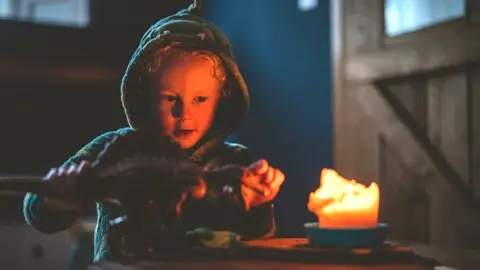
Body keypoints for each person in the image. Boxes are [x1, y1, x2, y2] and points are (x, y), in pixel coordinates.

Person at [23, 4, 285, 263]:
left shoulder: (235, 162)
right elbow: (37, 210)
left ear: (222, 98)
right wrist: (59, 197)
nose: (184, 113)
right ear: (145, 96)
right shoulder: (114, 148)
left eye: (201, 98)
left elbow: (257, 241)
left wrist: (257, 204)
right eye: (170, 98)